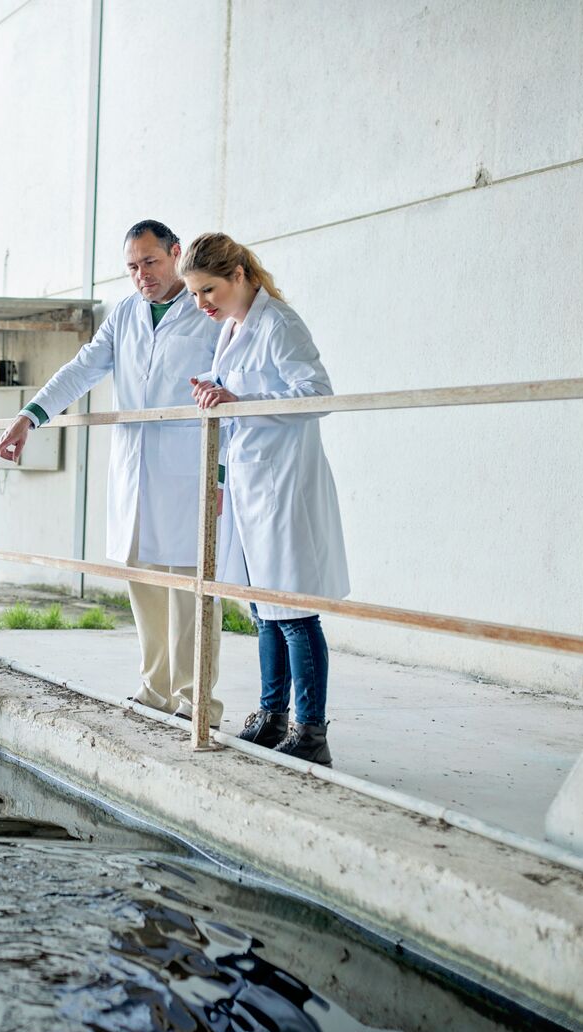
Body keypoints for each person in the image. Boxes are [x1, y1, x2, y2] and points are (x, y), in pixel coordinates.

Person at [0, 220, 224, 721]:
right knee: (143, 582)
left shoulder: (207, 312)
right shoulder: (125, 314)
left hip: (189, 469)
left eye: (150, 262)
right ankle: (155, 688)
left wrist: (222, 474)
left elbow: (230, 392)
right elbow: (82, 369)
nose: (142, 275)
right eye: (132, 267)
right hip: (137, 471)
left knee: (192, 588)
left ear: (176, 253)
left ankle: (196, 701)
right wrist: (30, 417)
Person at [181, 232, 349, 764]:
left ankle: (311, 732)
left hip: (284, 486)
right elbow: (236, 404)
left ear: (237, 275)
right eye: (194, 294)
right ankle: (272, 716)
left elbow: (317, 395)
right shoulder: (232, 328)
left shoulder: (279, 323)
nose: (201, 303)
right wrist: (214, 392)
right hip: (251, 486)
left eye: (208, 290)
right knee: (263, 610)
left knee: (294, 612)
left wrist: (239, 398)